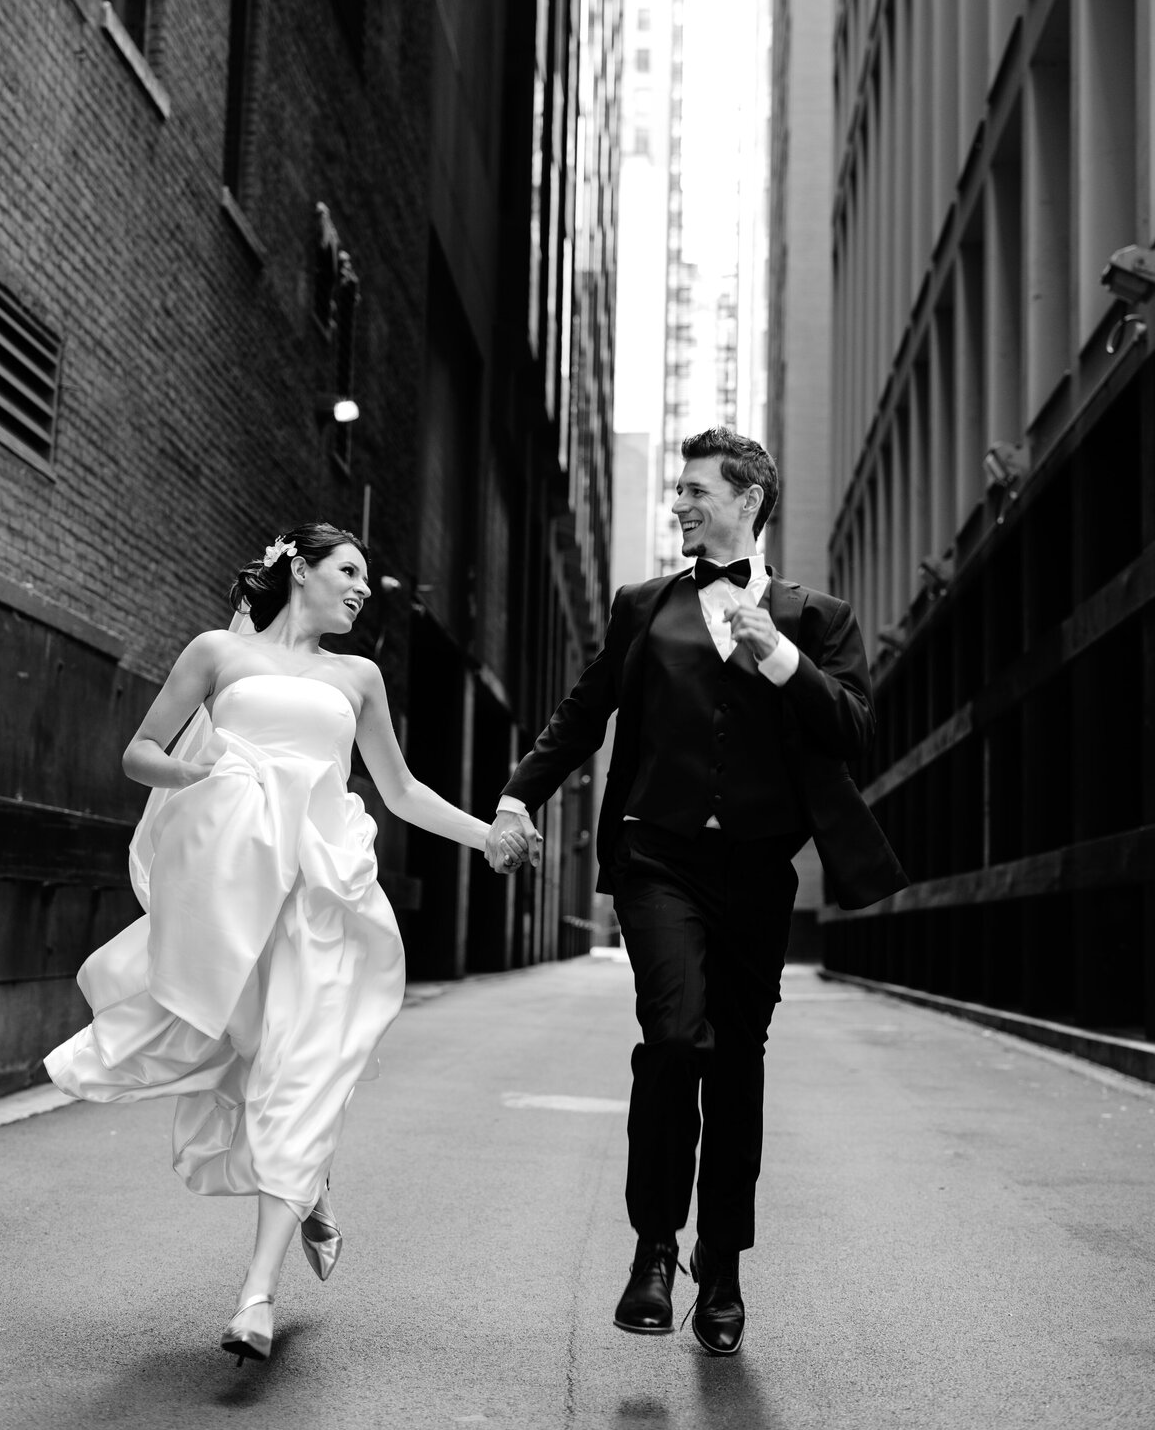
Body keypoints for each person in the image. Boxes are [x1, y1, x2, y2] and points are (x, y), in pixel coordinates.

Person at [46, 522, 529, 1366]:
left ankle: (256, 1296)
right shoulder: (215, 654)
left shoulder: (360, 676)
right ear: (298, 571)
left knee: (301, 1075)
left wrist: (484, 832)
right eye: (347, 570)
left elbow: (402, 788)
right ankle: (309, 1184)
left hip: (321, 898)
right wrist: (193, 774)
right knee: (254, 1062)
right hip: (232, 893)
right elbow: (139, 752)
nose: (360, 588)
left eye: (366, 578)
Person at [483, 428, 907, 1356]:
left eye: (696, 489)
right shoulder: (644, 605)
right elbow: (584, 711)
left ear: (749, 500)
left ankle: (722, 1268)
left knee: (738, 1064)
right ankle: (651, 1247)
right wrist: (516, 795)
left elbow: (856, 730)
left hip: (759, 871)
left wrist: (783, 658)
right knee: (675, 1038)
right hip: (659, 860)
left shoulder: (818, 617)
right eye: (677, 488)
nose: (679, 502)